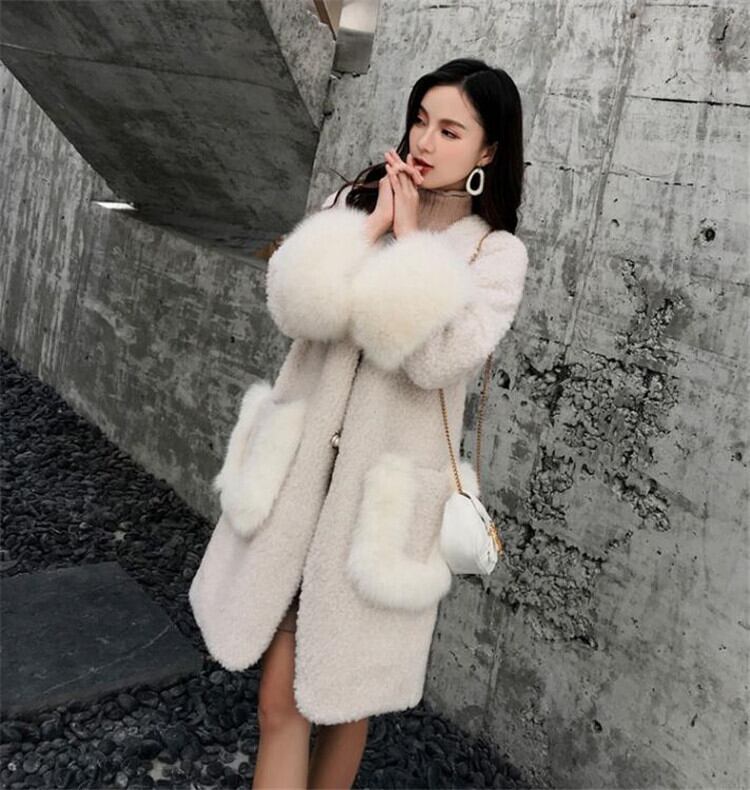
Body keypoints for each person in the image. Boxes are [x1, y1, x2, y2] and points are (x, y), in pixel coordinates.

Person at [188, 57, 529, 789]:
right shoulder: (354, 202)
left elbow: (436, 362)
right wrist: (370, 227)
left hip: (381, 509)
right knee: (281, 705)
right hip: (298, 491)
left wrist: (411, 244)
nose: (425, 141)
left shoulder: (493, 255)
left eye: (451, 130)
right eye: (420, 120)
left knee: (344, 702)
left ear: (489, 151)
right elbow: (293, 310)